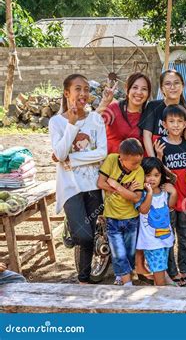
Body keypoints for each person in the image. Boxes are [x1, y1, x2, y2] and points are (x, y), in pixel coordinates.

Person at [50, 74, 107, 284]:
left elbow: (102, 152)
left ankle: (83, 280)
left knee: (89, 236)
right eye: (77, 89)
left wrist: (73, 160)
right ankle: (71, 224)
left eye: (86, 89)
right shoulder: (56, 122)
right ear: (67, 93)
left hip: (93, 185)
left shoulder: (96, 119)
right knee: (82, 236)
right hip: (70, 188)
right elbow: (60, 152)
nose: (83, 94)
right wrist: (72, 124)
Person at [154, 104, 186, 286]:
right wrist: (159, 156)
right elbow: (157, 171)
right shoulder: (161, 144)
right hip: (169, 198)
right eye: (171, 121)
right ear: (164, 124)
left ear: (185, 124)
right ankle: (172, 273)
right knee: (169, 235)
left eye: (179, 121)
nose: (175, 125)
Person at [97, 138, 144, 286]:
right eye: (134, 163)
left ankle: (121, 275)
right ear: (122, 159)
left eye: (139, 161)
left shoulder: (139, 171)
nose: (137, 166)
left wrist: (117, 186)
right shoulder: (111, 160)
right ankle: (127, 283)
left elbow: (136, 198)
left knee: (129, 253)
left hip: (132, 218)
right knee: (118, 252)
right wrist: (125, 191)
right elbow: (100, 183)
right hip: (112, 217)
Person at [135, 157, 178, 285]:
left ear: (161, 176)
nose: (152, 179)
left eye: (156, 175)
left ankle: (160, 294)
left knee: (160, 269)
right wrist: (149, 193)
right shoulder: (141, 194)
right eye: (148, 175)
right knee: (159, 272)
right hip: (151, 242)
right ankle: (161, 297)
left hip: (164, 238)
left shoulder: (164, 192)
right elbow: (143, 210)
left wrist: (174, 192)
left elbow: (170, 206)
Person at [140, 69, 186, 156]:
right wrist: (155, 162)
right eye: (168, 84)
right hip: (157, 159)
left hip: (180, 162)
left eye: (176, 83)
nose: (172, 87)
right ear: (162, 89)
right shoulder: (153, 106)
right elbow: (147, 136)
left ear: (183, 86)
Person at [100, 73, 152, 154]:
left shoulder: (150, 113)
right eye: (135, 87)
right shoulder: (114, 109)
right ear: (127, 89)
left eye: (144, 89)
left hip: (139, 164)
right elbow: (93, 125)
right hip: (112, 162)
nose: (139, 92)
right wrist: (104, 103)